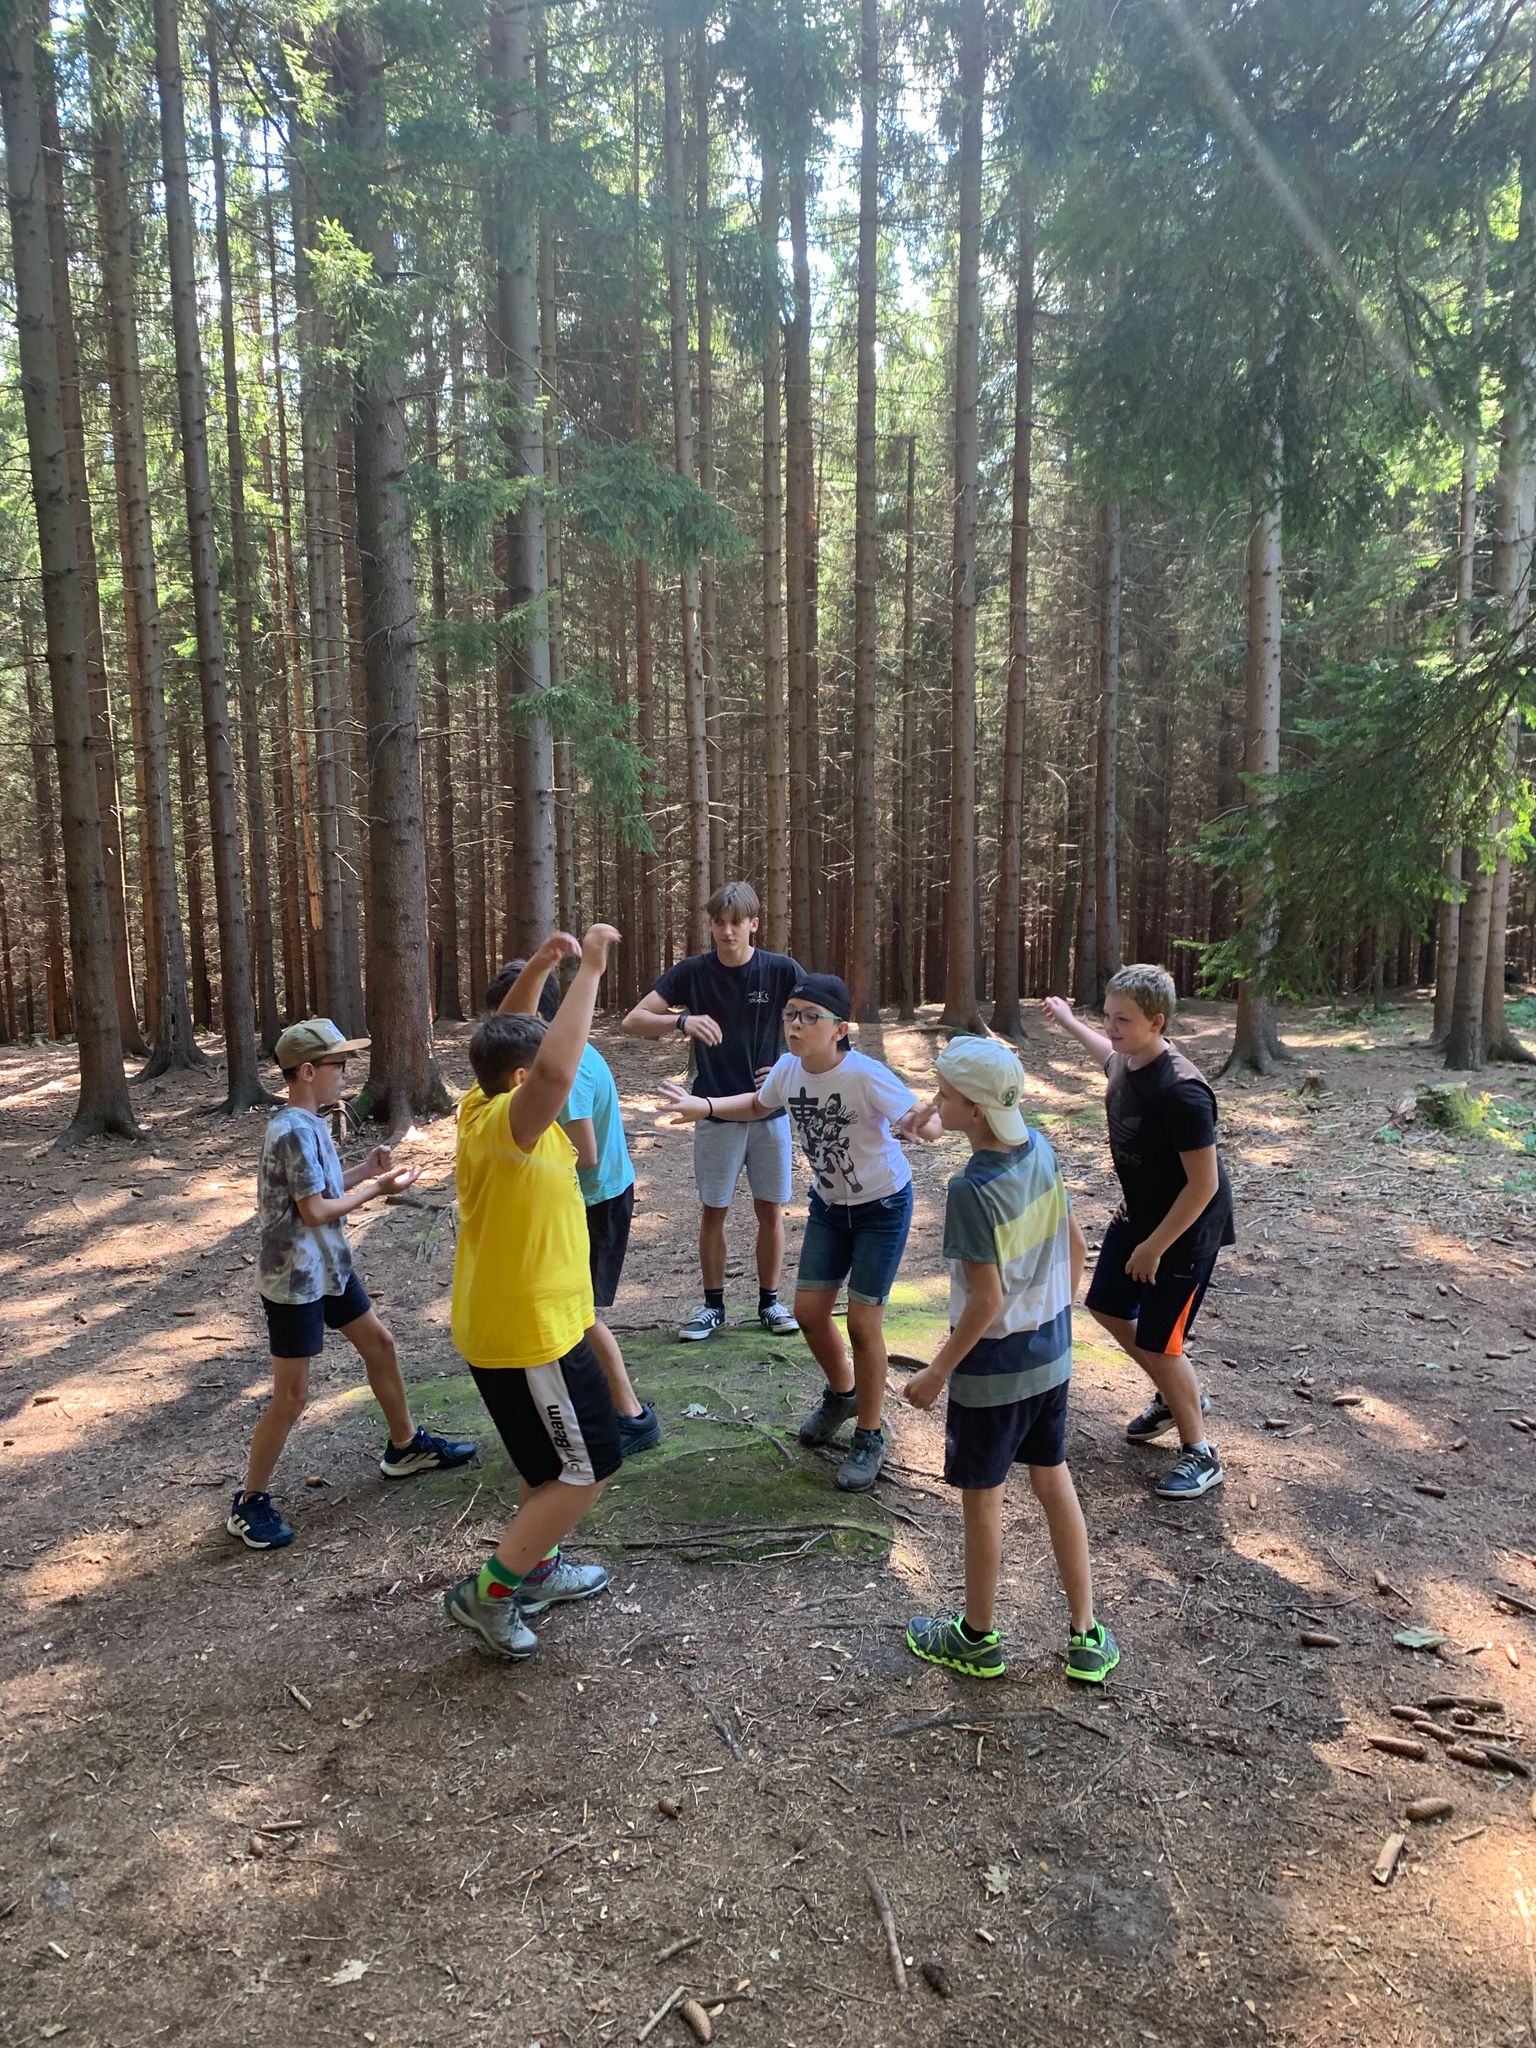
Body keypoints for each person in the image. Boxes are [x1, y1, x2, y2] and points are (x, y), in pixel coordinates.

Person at [659, 973, 939, 1491]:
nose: (796, 1025)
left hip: (882, 1208)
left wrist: (923, 1123)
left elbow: (922, 1123)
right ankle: (843, 1394)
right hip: (830, 1208)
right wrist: (707, 1106)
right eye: (791, 1014)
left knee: (863, 1325)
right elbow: (758, 1104)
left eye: (811, 1017)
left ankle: (869, 1434)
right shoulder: (788, 1069)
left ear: (840, 1029)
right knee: (809, 1315)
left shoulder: (865, 1075)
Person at [901, 1036, 1117, 1685]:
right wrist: (1052, 1315)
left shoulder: (970, 1189)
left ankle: (976, 1637)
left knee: (983, 1501)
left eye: (944, 1096)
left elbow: (986, 1299)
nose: (935, 1102)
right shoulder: (1041, 1149)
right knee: (1054, 1482)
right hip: (1050, 1357)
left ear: (974, 1109)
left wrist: (937, 1372)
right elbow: (1076, 1246)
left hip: (992, 1375)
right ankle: (1085, 1634)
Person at [228, 1019, 477, 1551]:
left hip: (329, 1268)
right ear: (308, 1071)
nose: (346, 1073)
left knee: (380, 1345)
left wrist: (365, 1170)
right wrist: (378, 1191)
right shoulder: (292, 1130)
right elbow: (316, 1210)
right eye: (339, 1065)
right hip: (295, 1279)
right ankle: (249, 1502)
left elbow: (322, 1187)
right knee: (292, 1396)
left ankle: (405, 1446)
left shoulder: (313, 1122)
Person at [443, 925, 622, 1663]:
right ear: (523, 1081)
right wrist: (590, 971)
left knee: (543, 1467)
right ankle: (488, 1593)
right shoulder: (515, 1128)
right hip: (534, 1339)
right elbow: (550, 1071)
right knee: (586, 1472)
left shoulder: (481, 1105)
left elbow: (508, 1036)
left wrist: (545, 965)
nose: (563, 1075)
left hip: (513, 1328)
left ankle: (537, 1568)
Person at [1041, 962, 1235, 1501]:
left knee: (1162, 1341)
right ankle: (1174, 1398)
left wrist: (1155, 1247)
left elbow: (1203, 1185)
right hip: (1141, 1215)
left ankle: (1201, 1452)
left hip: (1185, 1231)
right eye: (1107, 1016)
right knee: (1106, 1305)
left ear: (1157, 1022)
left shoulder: (1182, 1091)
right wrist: (1067, 1022)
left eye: (1122, 1020)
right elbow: (1105, 1056)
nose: (1111, 1027)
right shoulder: (1127, 1059)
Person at [487, 945, 661, 1460]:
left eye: (509, 1023)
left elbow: (585, 1153)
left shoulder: (570, 1068)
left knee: (581, 1315)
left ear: (538, 1018)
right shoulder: (556, 1052)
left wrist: (523, 1153)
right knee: (576, 1313)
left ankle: (631, 1416)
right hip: (586, 1199)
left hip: (597, 1201)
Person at [623, 881, 802, 1340]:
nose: (727, 932)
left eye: (736, 923)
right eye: (719, 923)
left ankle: (770, 1303)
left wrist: (793, 1064)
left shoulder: (780, 970)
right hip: (712, 1111)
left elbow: (824, 1017)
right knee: (713, 1211)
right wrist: (681, 1020)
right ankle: (713, 1306)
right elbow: (634, 1020)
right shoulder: (693, 973)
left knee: (770, 1210)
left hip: (768, 1112)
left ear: (754, 924)